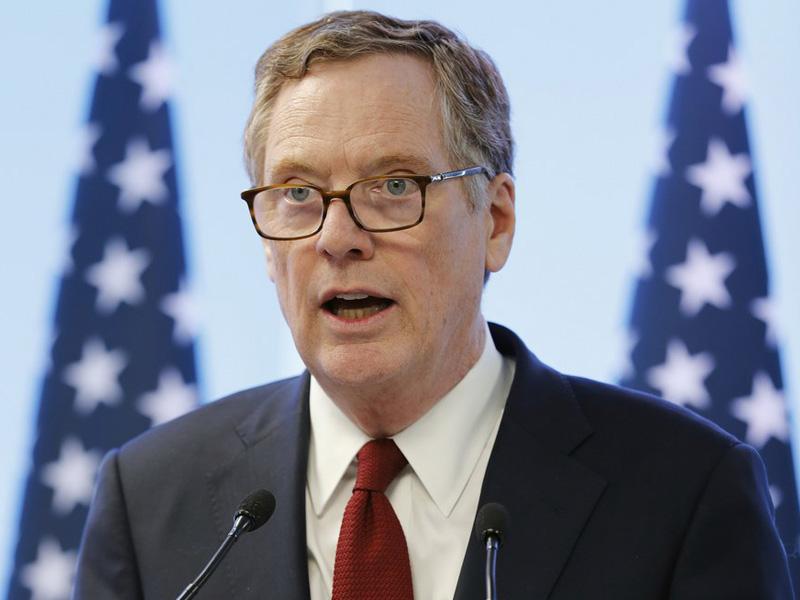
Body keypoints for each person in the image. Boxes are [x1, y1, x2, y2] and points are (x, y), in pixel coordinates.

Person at [74, 10, 793, 599]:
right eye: (297, 194)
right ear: (266, 243)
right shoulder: (150, 501)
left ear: (495, 221)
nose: (337, 238)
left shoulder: (684, 492)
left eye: (394, 186)